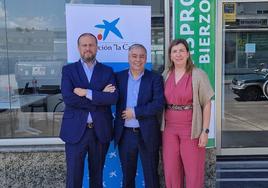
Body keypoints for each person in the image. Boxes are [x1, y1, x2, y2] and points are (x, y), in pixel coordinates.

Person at [60, 33, 118, 188]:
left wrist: (87, 93)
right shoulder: (68, 70)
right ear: (79, 48)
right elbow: (68, 98)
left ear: (97, 47)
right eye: (84, 45)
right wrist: (100, 95)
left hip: (99, 132)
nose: (88, 48)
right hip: (75, 132)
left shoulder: (107, 71)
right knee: (73, 177)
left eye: (91, 45)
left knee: (97, 176)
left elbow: (112, 99)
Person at [161, 39, 214, 188]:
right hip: (169, 128)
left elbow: (207, 103)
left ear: (188, 53)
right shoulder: (166, 74)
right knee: (171, 170)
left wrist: (205, 131)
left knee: (193, 171)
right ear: (170, 55)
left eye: (181, 50)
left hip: (192, 128)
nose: (178, 54)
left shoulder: (198, 74)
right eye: (174, 51)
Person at [114, 44, 164, 188]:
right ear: (128, 58)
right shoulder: (118, 77)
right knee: (128, 177)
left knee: (152, 177)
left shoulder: (155, 78)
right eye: (134, 56)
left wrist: (135, 112)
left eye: (142, 56)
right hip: (126, 135)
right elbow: (108, 96)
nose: (138, 59)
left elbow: (158, 104)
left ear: (146, 58)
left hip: (147, 134)